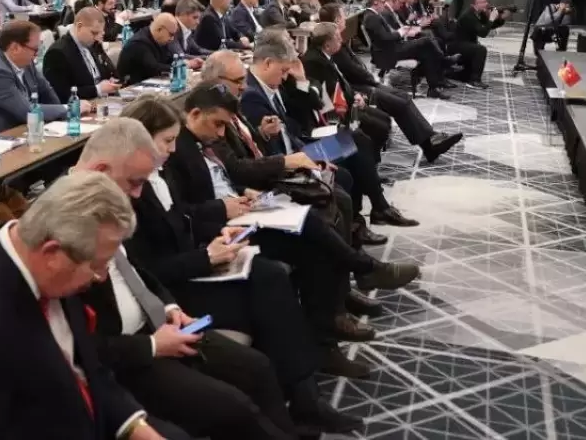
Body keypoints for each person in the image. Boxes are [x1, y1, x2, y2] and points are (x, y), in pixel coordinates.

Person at [116, 100, 362, 434]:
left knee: (270, 276)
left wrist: (218, 234)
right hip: (174, 287)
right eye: (167, 141)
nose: (173, 149)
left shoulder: (160, 176)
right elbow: (146, 269)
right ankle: (301, 402)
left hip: (190, 264)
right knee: (269, 284)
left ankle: (305, 397)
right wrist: (205, 256)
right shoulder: (130, 190)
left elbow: (183, 221)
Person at [0, 172, 186, 440]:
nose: (101, 277)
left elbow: (87, 369)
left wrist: (136, 428)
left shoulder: (47, 267)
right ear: (52, 253)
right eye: (97, 266)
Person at [70, 121, 300, 440]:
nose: (137, 194)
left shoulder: (107, 199)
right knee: (233, 407)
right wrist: (152, 344)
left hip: (159, 322)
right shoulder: (67, 225)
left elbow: (137, 271)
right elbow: (79, 345)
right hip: (131, 355)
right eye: (134, 183)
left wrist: (169, 307)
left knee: (257, 367)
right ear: (100, 170)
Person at [166, 83, 418, 371]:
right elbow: (193, 203)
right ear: (195, 114)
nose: (222, 132)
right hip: (224, 227)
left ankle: (333, 322)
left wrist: (244, 191)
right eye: (218, 124)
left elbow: (228, 174)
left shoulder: (211, 132)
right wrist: (224, 205)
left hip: (248, 201)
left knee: (329, 207)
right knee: (315, 226)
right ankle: (361, 271)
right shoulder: (181, 147)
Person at [243, 30, 417, 228]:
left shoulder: (276, 80)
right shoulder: (253, 95)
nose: (284, 76)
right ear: (268, 63)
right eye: (283, 70)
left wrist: (300, 79)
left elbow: (314, 103)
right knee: (353, 149)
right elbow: (271, 144)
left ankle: (376, 209)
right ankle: (369, 215)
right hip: (297, 151)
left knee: (357, 140)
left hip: (302, 140)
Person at [314, 4, 460, 162]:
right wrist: (372, 80)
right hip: (356, 87)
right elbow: (351, 71)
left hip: (363, 82)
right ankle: (430, 145)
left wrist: (370, 78)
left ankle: (430, 143)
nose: (345, 19)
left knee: (403, 97)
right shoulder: (332, 42)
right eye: (343, 16)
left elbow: (355, 67)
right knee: (400, 104)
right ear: (337, 20)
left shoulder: (336, 39)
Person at [0, 20, 91, 139]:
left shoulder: (25, 61)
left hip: (21, 128)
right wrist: (69, 109)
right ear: (15, 48)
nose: (37, 54)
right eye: (35, 49)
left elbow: (46, 92)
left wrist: (62, 115)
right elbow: (27, 111)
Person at [361, 0, 454, 99]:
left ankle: (433, 88)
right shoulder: (371, 17)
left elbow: (386, 35)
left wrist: (401, 31)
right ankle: (444, 61)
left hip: (392, 48)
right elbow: (385, 38)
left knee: (427, 52)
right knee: (426, 41)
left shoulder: (373, 15)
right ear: (375, 2)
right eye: (383, 1)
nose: (384, 3)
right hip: (389, 52)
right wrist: (401, 32)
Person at [44, 7, 119, 102]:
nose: (97, 38)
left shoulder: (92, 44)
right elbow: (62, 94)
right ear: (79, 26)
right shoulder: (57, 53)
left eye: (100, 33)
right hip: (81, 106)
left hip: (103, 101)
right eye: (94, 33)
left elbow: (106, 74)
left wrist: (110, 81)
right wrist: (98, 89)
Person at [453, 0, 511, 89]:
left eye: (486, 1)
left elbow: (489, 26)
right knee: (481, 49)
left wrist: (501, 18)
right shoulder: (469, 15)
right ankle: (474, 81)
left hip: (468, 43)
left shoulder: (479, 13)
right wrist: (491, 18)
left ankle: (450, 73)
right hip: (458, 45)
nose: (486, 4)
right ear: (475, 4)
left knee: (465, 75)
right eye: (483, 2)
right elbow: (483, 33)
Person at [118, 14, 182, 85]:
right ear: (159, 29)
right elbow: (153, 68)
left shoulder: (159, 41)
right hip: (131, 86)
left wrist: (181, 64)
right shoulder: (139, 43)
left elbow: (169, 59)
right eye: (171, 34)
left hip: (149, 82)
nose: (172, 38)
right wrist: (177, 67)